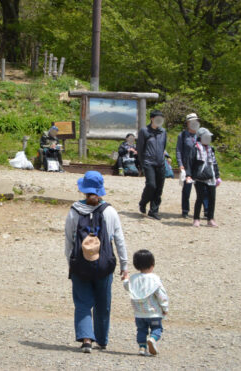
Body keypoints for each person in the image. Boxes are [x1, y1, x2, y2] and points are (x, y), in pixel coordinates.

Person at [65, 171, 129, 353]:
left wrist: (72, 263)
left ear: (83, 190)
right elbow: (119, 240)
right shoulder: (110, 211)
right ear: (101, 190)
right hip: (104, 265)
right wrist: (124, 266)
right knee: (103, 303)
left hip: (80, 265)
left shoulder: (74, 210)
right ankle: (101, 340)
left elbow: (69, 240)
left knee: (83, 302)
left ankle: (86, 340)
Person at [124, 249, 169, 357]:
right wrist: (165, 308)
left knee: (141, 330)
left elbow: (126, 286)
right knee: (157, 329)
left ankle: (142, 348)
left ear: (136, 265)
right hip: (154, 313)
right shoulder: (154, 279)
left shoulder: (133, 278)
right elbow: (161, 295)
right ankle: (152, 339)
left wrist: (125, 278)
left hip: (139, 314)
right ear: (152, 264)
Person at [136, 110, 168, 220]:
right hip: (148, 162)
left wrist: (165, 158)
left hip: (160, 163)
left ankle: (154, 211)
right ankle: (143, 202)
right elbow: (140, 149)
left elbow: (163, 147)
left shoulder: (163, 131)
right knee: (151, 185)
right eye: (157, 118)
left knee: (159, 188)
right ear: (152, 119)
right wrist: (141, 163)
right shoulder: (144, 131)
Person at [189, 127, 220, 227]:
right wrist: (189, 175)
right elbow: (189, 163)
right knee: (200, 197)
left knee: (212, 198)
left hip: (211, 176)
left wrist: (217, 176)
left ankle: (210, 218)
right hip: (199, 177)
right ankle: (196, 218)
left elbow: (214, 163)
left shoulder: (211, 149)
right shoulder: (195, 148)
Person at [175, 112, 200, 218]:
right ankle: (185, 210)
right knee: (187, 189)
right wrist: (180, 164)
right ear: (188, 123)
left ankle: (207, 211)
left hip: (199, 166)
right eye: (192, 121)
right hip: (186, 166)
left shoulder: (200, 135)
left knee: (202, 188)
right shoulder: (182, 135)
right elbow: (178, 151)